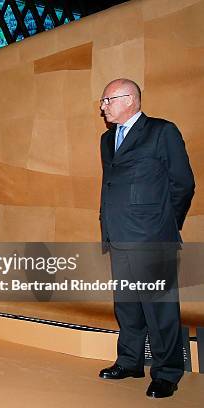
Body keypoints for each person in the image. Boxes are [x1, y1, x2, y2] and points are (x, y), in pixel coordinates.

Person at [98, 79, 195, 398]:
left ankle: (167, 372)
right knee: (127, 306)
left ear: (129, 99)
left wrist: (165, 226)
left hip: (153, 238)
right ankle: (129, 361)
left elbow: (183, 184)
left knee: (159, 308)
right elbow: (110, 184)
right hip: (118, 235)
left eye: (107, 100)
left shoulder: (162, 131)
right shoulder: (106, 139)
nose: (103, 106)